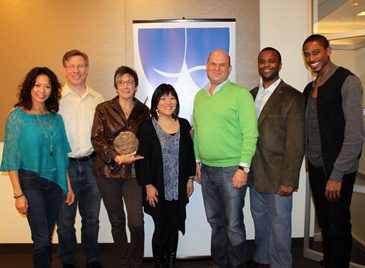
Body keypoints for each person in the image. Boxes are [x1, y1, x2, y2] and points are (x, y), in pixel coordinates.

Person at [0, 67, 75, 268]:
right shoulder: (17, 116)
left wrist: (67, 186)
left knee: (44, 238)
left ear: (53, 90)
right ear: (29, 87)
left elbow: (60, 155)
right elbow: (11, 157)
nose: (42, 90)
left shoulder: (55, 118)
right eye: (37, 85)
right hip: (30, 183)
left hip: (54, 185)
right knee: (42, 240)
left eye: (47, 86)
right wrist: (18, 194)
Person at [302, 34, 364, 268]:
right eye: (307, 54)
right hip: (318, 168)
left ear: (328, 51)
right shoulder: (310, 87)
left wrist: (337, 175)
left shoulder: (347, 81)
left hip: (338, 170)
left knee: (338, 225)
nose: (311, 58)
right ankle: (330, 262)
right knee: (326, 223)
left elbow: (355, 135)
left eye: (316, 52)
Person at [193, 50, 258, 268]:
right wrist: (197, 162)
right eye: (213, 63)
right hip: (208, 170)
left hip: (232, 170)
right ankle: (220, 263)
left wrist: (244, 168)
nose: (217, 68)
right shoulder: (199, 96)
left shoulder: (241, 95)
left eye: (223, 65)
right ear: (207, 66)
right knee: (216, 223)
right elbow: (197, 132)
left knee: (234, 226)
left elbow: (251, 133)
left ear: (229, 69)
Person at [247, 47, 305, 268]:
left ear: (279, 65)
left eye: (272, 61)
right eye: (262, 61)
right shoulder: (250, 95)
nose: (266, 65)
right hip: (255, 175)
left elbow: (296, 143)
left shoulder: (293, 97)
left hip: (279, 176)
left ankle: (281, 264)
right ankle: (262, 257)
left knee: (280, 224)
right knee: (260, 220)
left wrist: (289, 180)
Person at [91, 66, 149, 268]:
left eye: (130, 81)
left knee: (136, 223)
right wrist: (117, 158)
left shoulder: (144, 111)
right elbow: (97, 140)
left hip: (134, 174)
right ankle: (124, 263)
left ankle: (136, 263)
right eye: (121, 82)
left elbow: (150, 139)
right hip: (107, 172)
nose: (126, 86)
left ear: (136, 85)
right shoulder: (103, 108)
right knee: (116, 221)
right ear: (116, 86)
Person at [135, 84, 196, 268]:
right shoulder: (146, 127)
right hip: (157, 187)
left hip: (178, 186)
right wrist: (148, 185)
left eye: (172, 98)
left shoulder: (184, 125)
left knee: (174, 225)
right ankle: (159, 264)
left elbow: (190, 154)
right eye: (163, 98)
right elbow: (141, 158)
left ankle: (171, 263)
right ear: (155, 103)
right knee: (160, 226)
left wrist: (190, 179)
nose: (168, 102)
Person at [56, 49, 105, 268]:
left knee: (92, 219)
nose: (76, 70)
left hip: (92, 165)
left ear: (87, 69)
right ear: (65, 70)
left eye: (81, 66)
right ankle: (67, 260)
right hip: (64, 167)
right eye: (71, 66)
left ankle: (92, 258)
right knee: (65, 222)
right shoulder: (54, 99)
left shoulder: (97, 98)